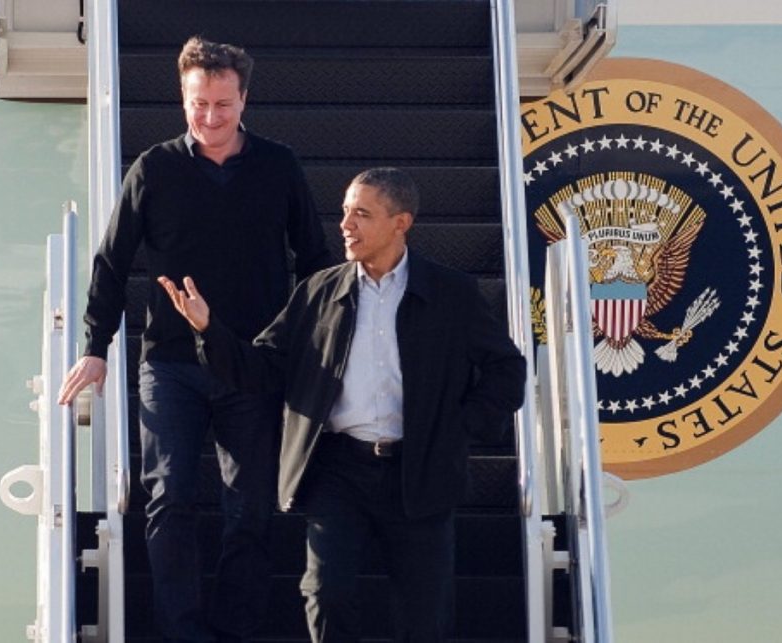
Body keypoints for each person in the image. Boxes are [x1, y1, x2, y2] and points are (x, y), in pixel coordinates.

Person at [160, 167, 527, 642]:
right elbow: (263, 368)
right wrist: (210, 332)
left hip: (419, 470)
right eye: (344, 212)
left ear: (401, 223)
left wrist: (456, 427)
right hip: (337, 470)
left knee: (425, 613)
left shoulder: (451, 293)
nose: (345, 225)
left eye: (362, 214)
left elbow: (506, 369)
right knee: (325, 593)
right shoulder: (317, 292)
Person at [57, 36, 332, 642]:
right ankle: (182, 633)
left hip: (253, 366)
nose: (210, 117)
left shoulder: (278, 165)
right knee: (169, 500)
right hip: (171, 364)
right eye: (197, 103)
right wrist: (95, 347)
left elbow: (315, 260)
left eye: (223, 104)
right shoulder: (153, 168)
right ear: (182, 98)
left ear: (245, 100)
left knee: (252, 510)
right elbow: (111, 261)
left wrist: (311, 346)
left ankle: (235, 631)